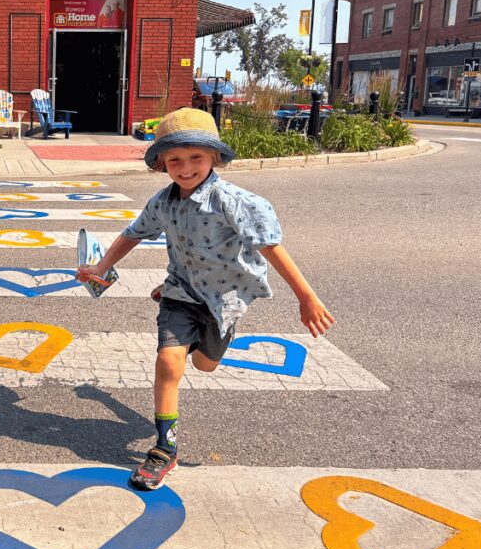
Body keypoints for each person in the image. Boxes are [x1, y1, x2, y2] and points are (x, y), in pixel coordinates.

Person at [76, 107, 333, 491]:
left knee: (206, 365)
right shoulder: (162, 202)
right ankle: (165, 449)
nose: (185, 167)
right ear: (161, 163)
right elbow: (132, 234)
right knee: (168, 360)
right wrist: (101, 267)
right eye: (174, 159)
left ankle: (204, 338)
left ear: (215, 158)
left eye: (196, 157)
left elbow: (271, 247)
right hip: (180, 292)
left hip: (224, 298)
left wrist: (306, 297)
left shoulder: (235, 202)